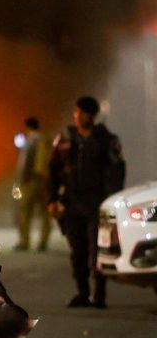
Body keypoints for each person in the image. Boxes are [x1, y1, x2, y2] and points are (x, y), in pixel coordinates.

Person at [47, 95, 125, 308]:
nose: (78, 116)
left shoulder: (106, 140)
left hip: (97, 203)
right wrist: (52, 199)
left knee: (97, 250)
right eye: (77, 111)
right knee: (77, 250)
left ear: (92, 115)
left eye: (83, 112)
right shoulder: (65, 140)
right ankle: (82, 292)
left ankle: (99, 294)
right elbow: (53, 170)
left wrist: (112, 200)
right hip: (72, 203)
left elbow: (117, 171)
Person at [13, 117, 51, 251]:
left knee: (25, 211)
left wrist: (19, 182)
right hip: (43, 181)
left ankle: (24, 241)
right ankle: (43, 241)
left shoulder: (29, 141)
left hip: (29, 181)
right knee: (44, 212)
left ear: (27, 126)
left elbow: (25, 164)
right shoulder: (45, 140)